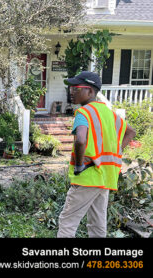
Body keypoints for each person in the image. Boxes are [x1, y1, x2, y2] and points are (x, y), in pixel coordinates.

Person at [57, 71, 136, 238]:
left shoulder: (84, 113)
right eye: (71, 88)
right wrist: (117, 151)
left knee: (67, 223)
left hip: (87, 177)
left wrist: (79, 165)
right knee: (97, 224)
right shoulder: (110, 114)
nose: (71, 92)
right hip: (105, 178)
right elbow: (131, 132)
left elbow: (80, 140)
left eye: (76, 88)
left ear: (90, 91)